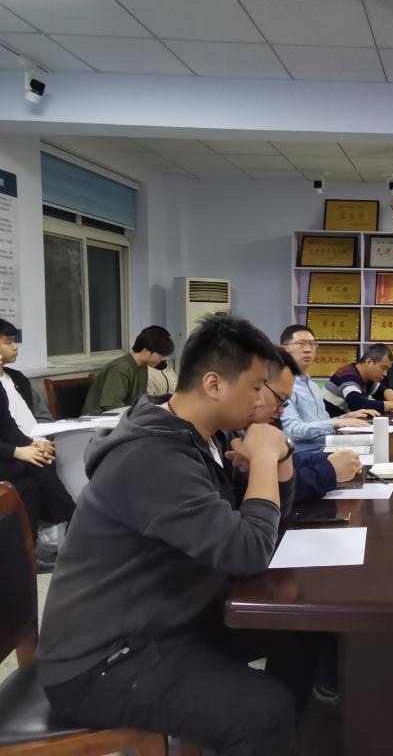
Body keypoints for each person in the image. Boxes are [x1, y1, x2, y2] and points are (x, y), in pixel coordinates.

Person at [37, 315, 321, 756]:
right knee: (265, 712)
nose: (262, 400)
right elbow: (247, 551)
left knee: (303, 628)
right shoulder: (152, 457)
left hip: (171, 620)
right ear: (213, 384)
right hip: (103, 659)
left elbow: (264, 531)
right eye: (256, 386)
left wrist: (278, 460)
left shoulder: (202, 436)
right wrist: (265, 459)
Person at [235, 349, 362, 504]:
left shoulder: (311, 386)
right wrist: (330, 471)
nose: (281, 410)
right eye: (280, 399)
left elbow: (289, 464)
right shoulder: (231, 436)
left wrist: (328, 459)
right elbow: (274, 495)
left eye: (312, 344)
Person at [0, 319, 75, 561]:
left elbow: (10, 427)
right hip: (6, 454)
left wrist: (32, 444)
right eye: (8, 342)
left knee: (32, 480)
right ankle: (75, 522)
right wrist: (19, 451)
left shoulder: (15, 379)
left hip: (13, 449)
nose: (15, 347)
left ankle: (32, 549)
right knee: (38, 466)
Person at [279, 324, 372, 454]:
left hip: (326, 447)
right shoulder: (283, 386)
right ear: (284, 349)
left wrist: (345, 417)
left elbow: (323, 422)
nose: (308, 349)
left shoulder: (312, 386)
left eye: (312, 344)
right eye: (301, 344)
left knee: (373, 447)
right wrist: (336, 423)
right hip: (304, 455)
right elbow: (292, 431)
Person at [82, 325, 174, 414]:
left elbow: (138, 401)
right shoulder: (120, 368)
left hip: (124, 416)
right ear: (146, 351)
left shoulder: (142, 367)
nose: (162, 359)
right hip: (99, 418)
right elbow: (111, 405)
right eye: (161, 355)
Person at [327, 344, 393, 414]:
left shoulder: (367, 378)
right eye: (383, 368)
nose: (385, 374)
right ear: (369, 362)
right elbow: (358, 404)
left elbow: (381, 392)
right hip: (330, 425)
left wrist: (390, 394)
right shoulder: (348, 375)